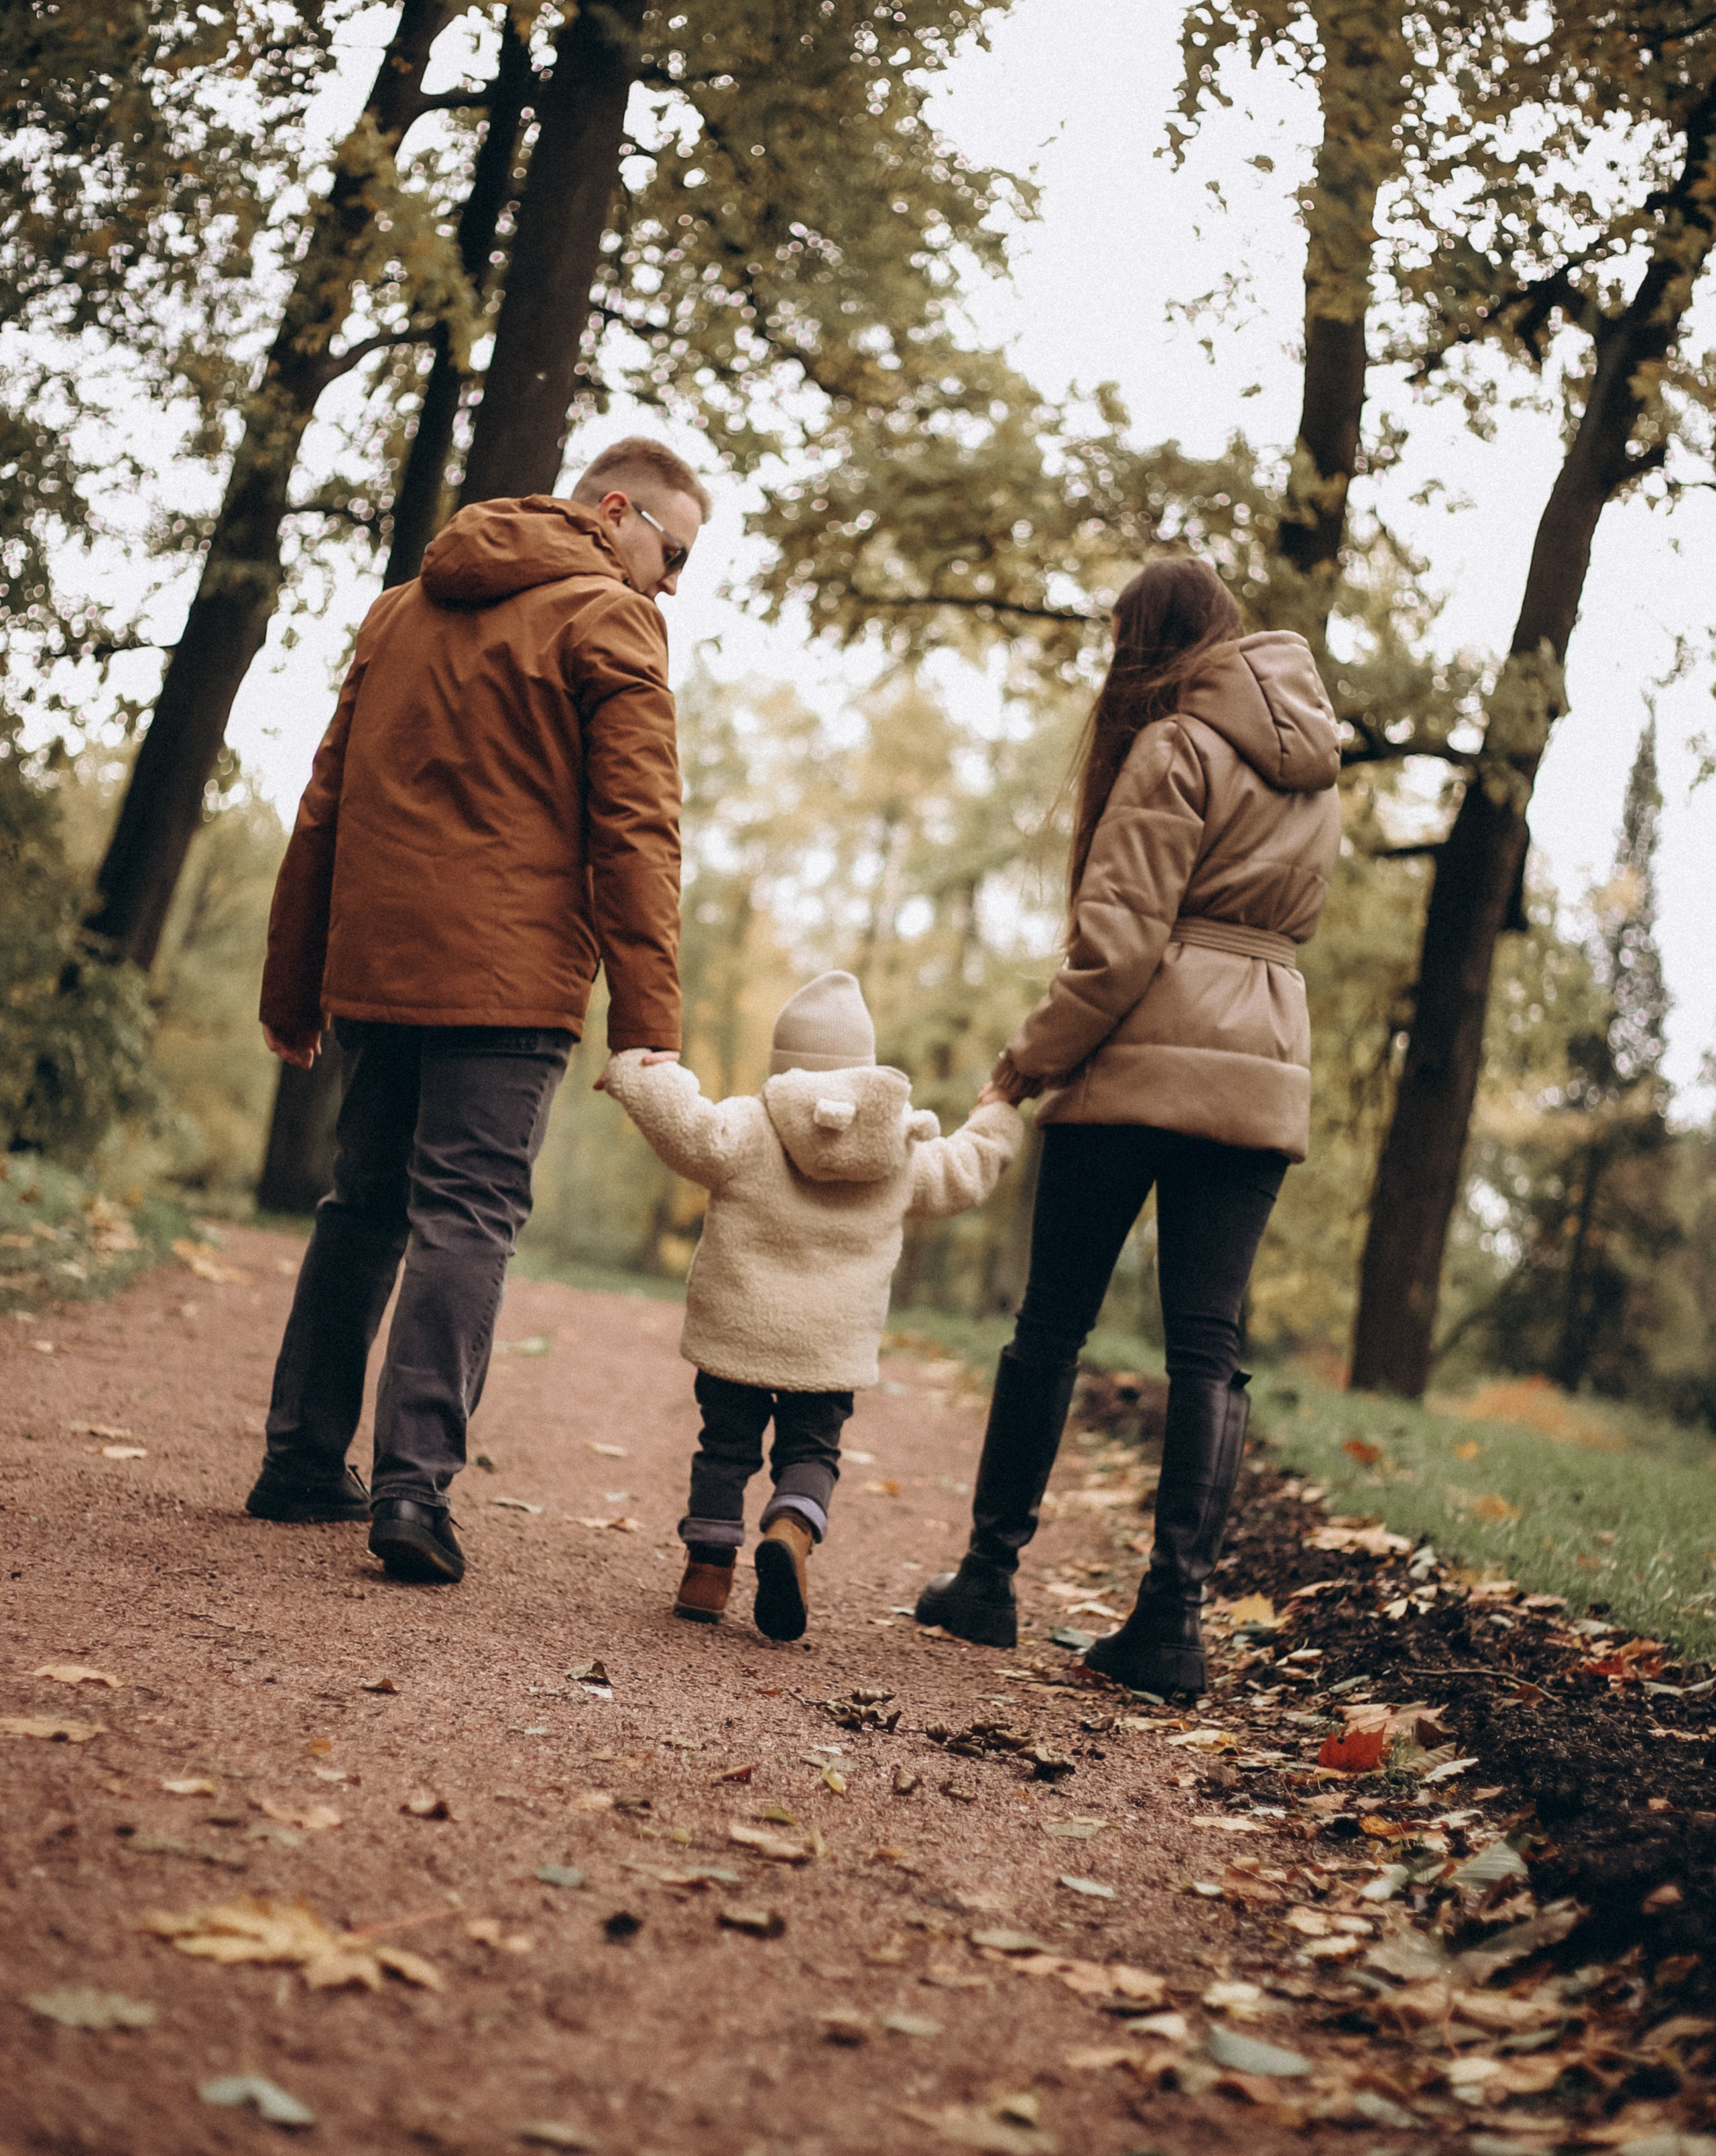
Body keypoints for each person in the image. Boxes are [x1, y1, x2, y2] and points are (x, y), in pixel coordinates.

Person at [247, 434, 709, 1585]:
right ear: (618, 511)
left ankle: (302, 1460)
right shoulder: (610, 619)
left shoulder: (402, 610)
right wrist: (648, 1020)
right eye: (677, 553)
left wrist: (292, 982)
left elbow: (324, 804)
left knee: (363, 1205)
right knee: (468, 1213)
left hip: (378, 965)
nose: (674, 583)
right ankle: (412, 1494)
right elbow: (638, 833)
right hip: (507, 983)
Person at [913, 559, 1341, 1693]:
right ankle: (1173, 1627)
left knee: (1053, 1323)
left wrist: (1023, 1062)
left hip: (1141, 1061)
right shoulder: (1318, 773)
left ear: (1144, 643)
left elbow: (1119, 950)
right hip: (1263, 1065)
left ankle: (989, 1580)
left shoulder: (1174, 746)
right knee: (1212, 1350)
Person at [604, 971, 1021, 1640]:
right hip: (830, 1347)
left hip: (738, 1331)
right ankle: (791, 1528)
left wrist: (638, 1071)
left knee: (724, 1446)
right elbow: (964, 1173)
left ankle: (707, 1574)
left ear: (784, 1063)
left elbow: (685, 1129)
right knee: (812, 1449)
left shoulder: (748, 1124)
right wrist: (997, 1114)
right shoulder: (903, 1150)